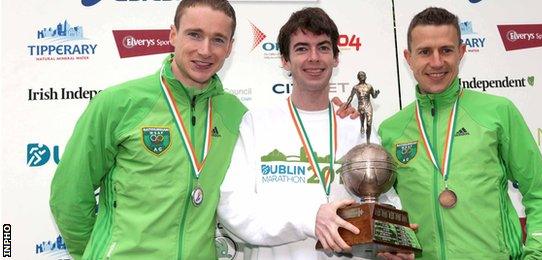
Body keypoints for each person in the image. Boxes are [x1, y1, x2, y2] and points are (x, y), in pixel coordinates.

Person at [49, 0, 248, 259]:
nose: (205, 50)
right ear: (173, 35)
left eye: (218, 40)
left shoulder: (235, 115)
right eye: (194, 34)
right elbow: (69, 196)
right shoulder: (118, 103)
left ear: (230, 47)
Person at [378, 7, 542, 260]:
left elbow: (539, 192)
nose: (436, 62)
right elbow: (387, 210)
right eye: (424, 52)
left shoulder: (497, 112)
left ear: (461, 52)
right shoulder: (390, 130)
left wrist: (539, 254)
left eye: (446, 50)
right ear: (409, 58)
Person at [217, 7, 401, 259]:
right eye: (302, 48)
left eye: (323, 47)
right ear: (284, 59)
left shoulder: (356, 127)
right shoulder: (257, 123)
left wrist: (390, 242)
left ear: (336, 58)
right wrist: (309, 219)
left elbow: (385, 199)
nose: (313, 57)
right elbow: (233, 208)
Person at [343, 71, 380, 143]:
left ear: (366, 77)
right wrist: (346, 104)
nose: (362, 76)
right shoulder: (356, 87)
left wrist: (376, 94)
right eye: (360, 75)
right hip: (361, 106)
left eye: (363, 75)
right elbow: (351, 97)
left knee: (369, 124)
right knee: (362, 118)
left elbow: (374, 96)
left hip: (368, 106)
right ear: (358, 77)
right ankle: (362, 125)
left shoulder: (369, 86)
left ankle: (368, 141)